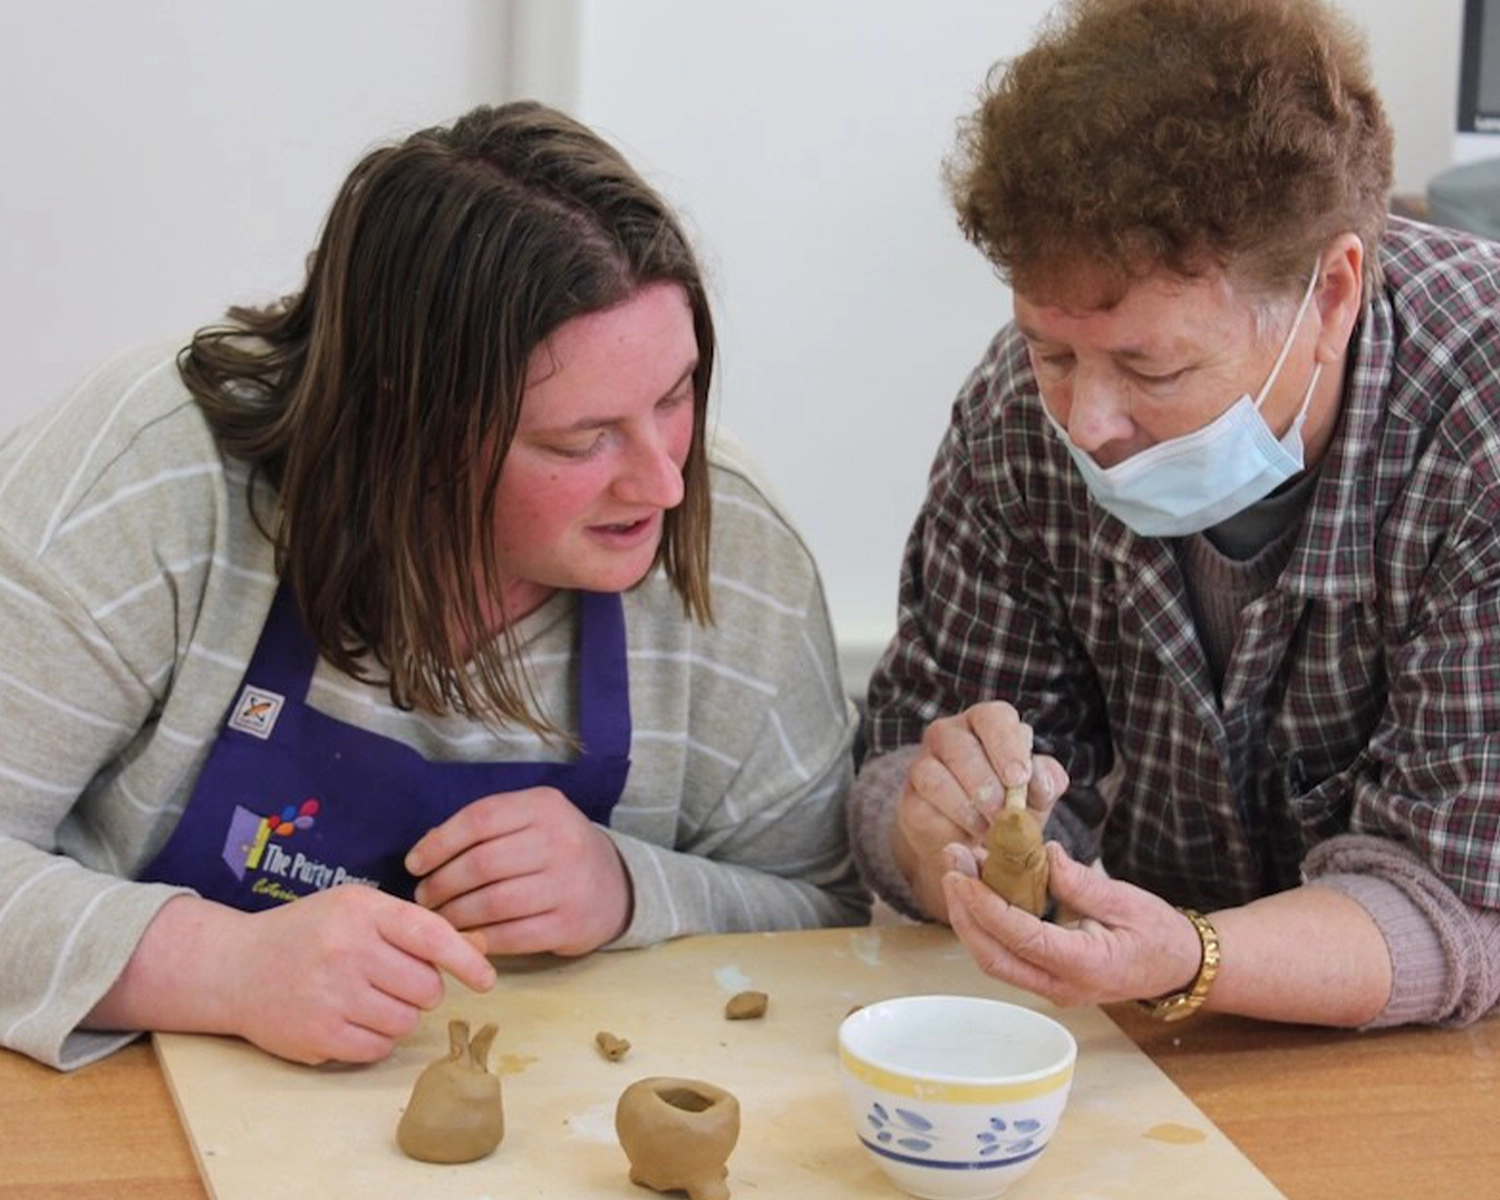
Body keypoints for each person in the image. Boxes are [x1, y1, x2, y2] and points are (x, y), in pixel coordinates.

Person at [0, 101, 866, 1071]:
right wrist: (223, 966)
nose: (664, 483)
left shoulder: (738, 550)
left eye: (676, 397)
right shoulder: (148, 482)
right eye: (581, 441)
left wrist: (633, 891)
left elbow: (830, 915)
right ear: (409, 423)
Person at [850, 0, 1500, 1030]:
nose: (1087, 423)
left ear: (1331, 296)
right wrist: (937, 835)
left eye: (1152, 369)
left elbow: (1465, 899)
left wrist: (1189, 958)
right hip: (1143, 1039)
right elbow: (903, 770)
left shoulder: (1479, 426)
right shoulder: (1017, 417)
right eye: (1053, 351)